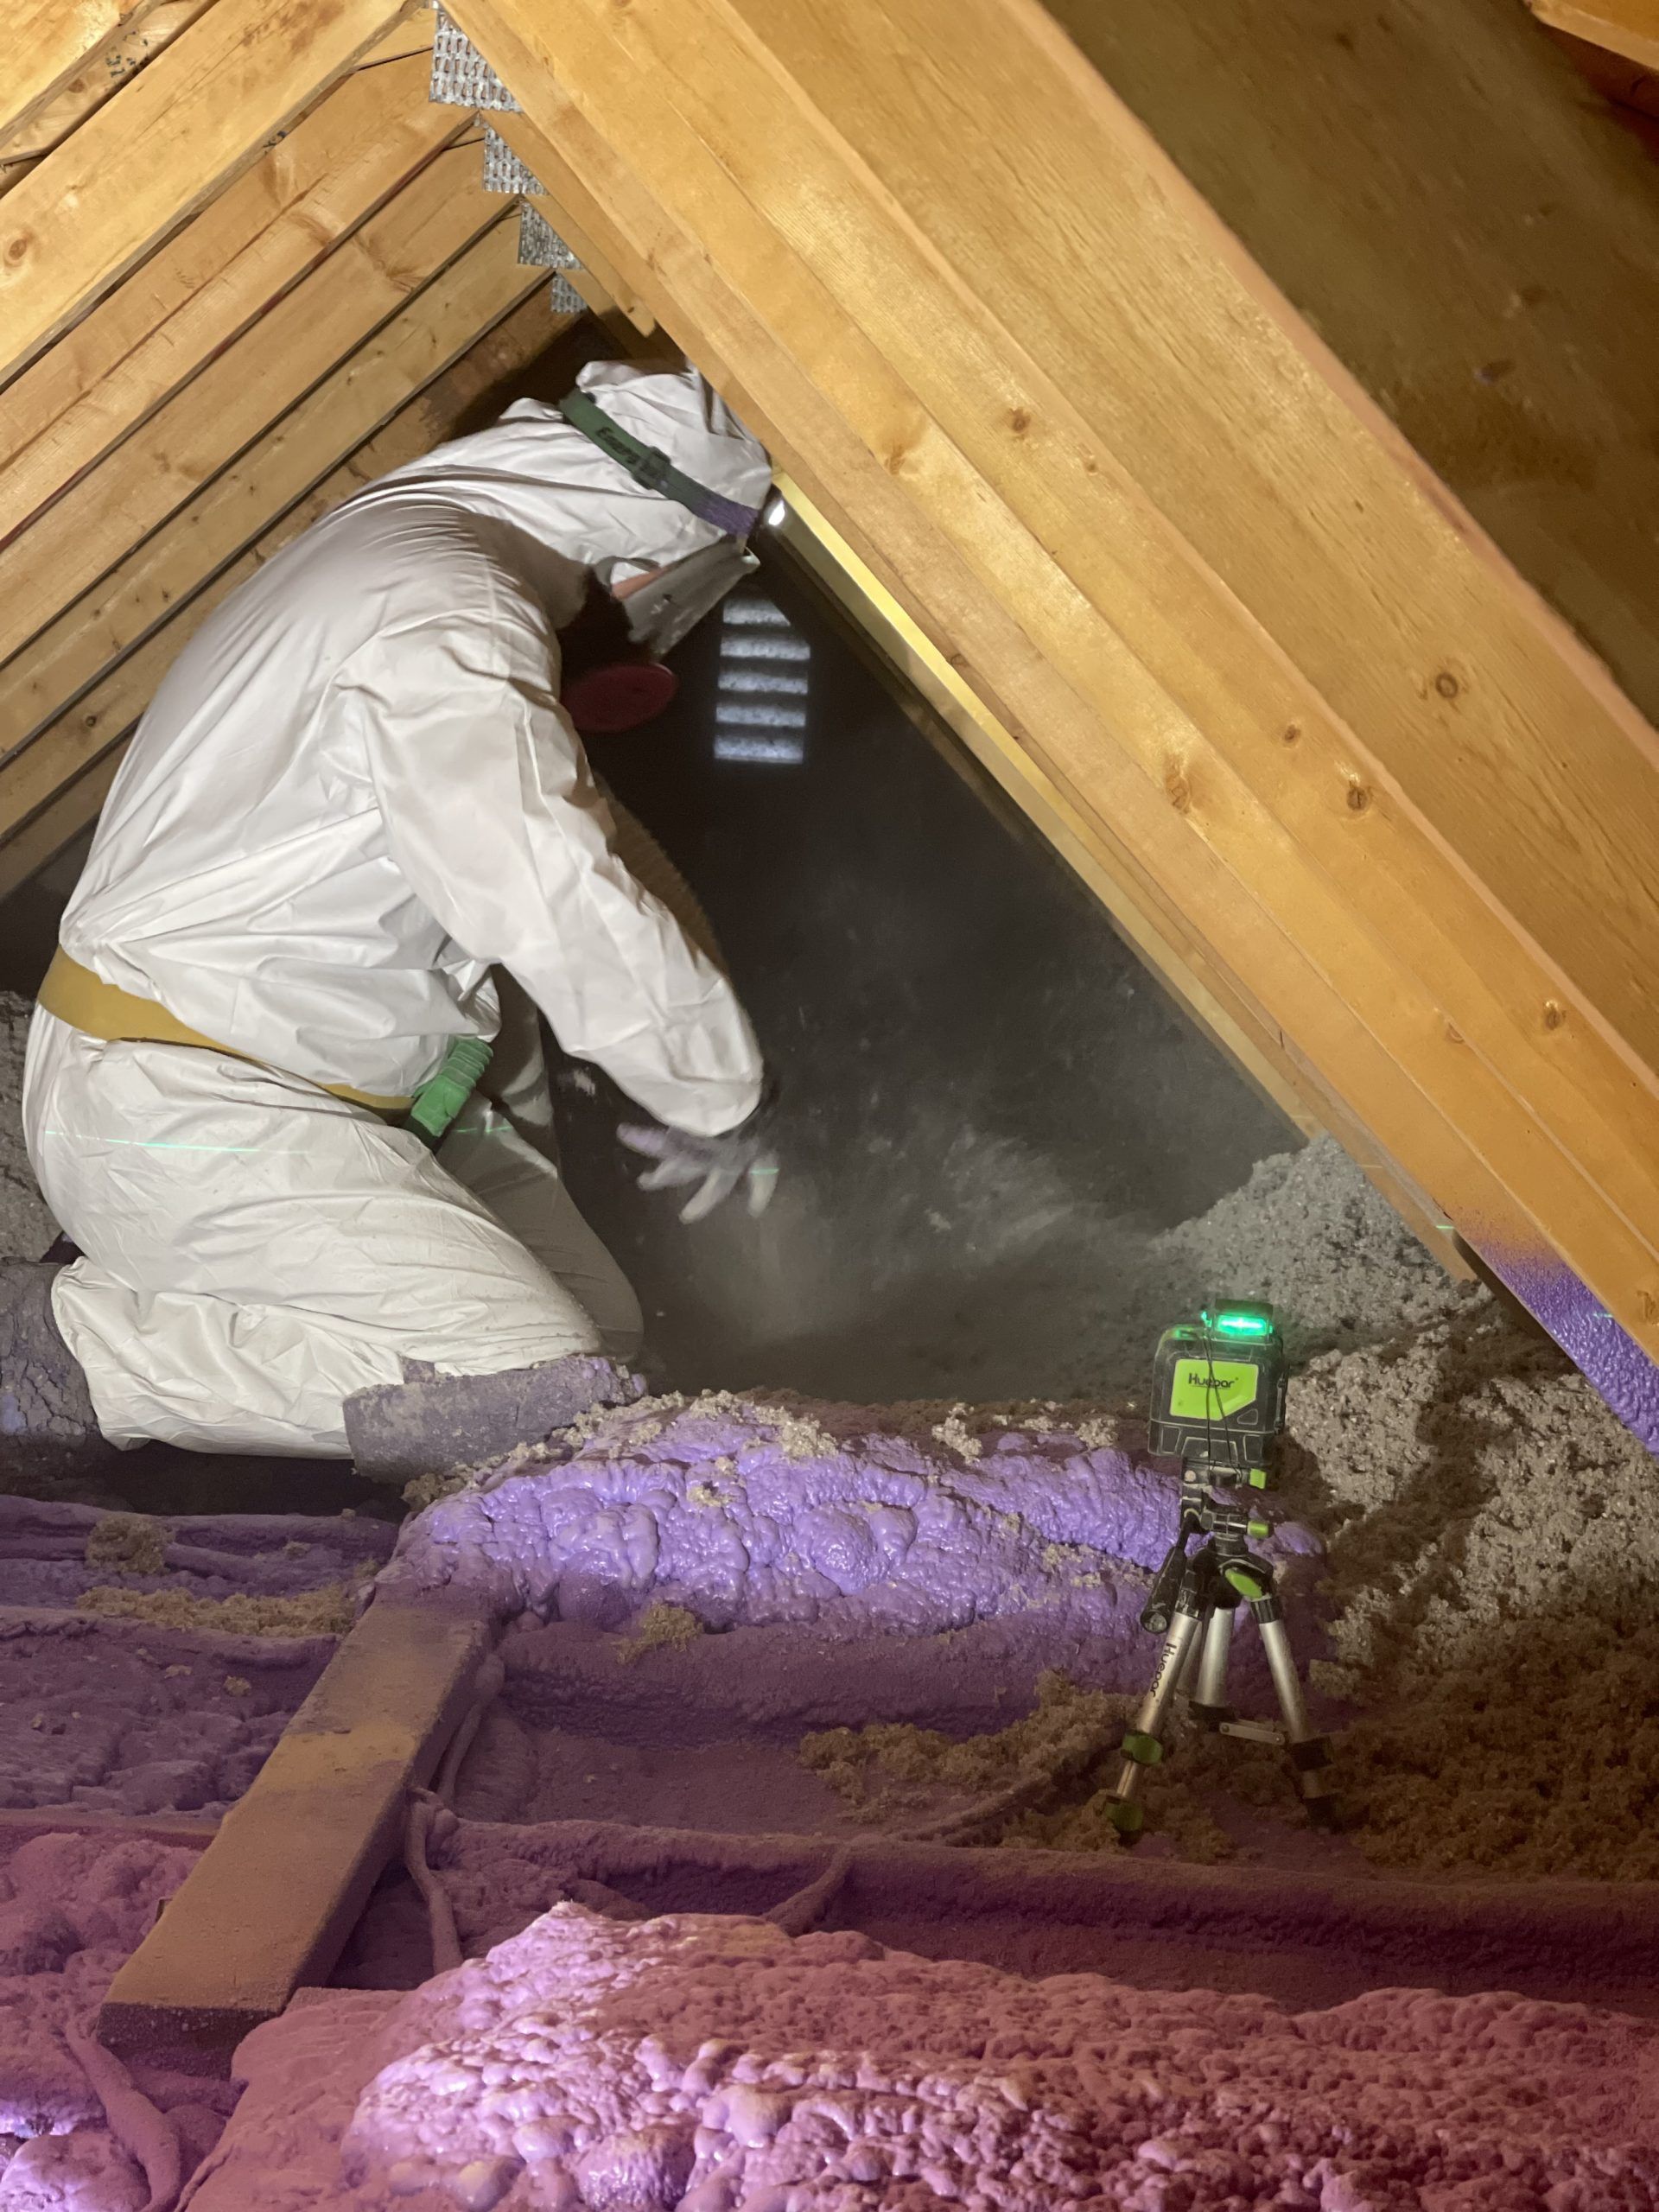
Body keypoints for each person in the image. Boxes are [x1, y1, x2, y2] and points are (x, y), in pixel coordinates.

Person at [6, 362, 779, 1470]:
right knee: (531, 1380)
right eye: (688, 601)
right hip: (187, 1112)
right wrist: (717, 1094)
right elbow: (543, 881)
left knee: (594, 1336)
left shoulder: (415, 560)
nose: (665, 637)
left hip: (289, 1093)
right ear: (648, 556)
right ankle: (66, 1357)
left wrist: (690, 1068)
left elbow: (582, 848)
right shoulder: (445, 618)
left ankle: (356, 1394)